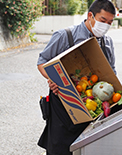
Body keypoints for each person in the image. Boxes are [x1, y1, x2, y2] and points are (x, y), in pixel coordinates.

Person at [37, 0, 116, 155]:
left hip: (92, 109)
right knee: (60, 150)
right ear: (90, 16)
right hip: (63, 107)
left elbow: (112, 75)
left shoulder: (107, 43)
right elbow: (42, 62)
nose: (106, 25)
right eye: (103, 21)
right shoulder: (65, 36)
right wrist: (54, 80)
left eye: (110, 22)